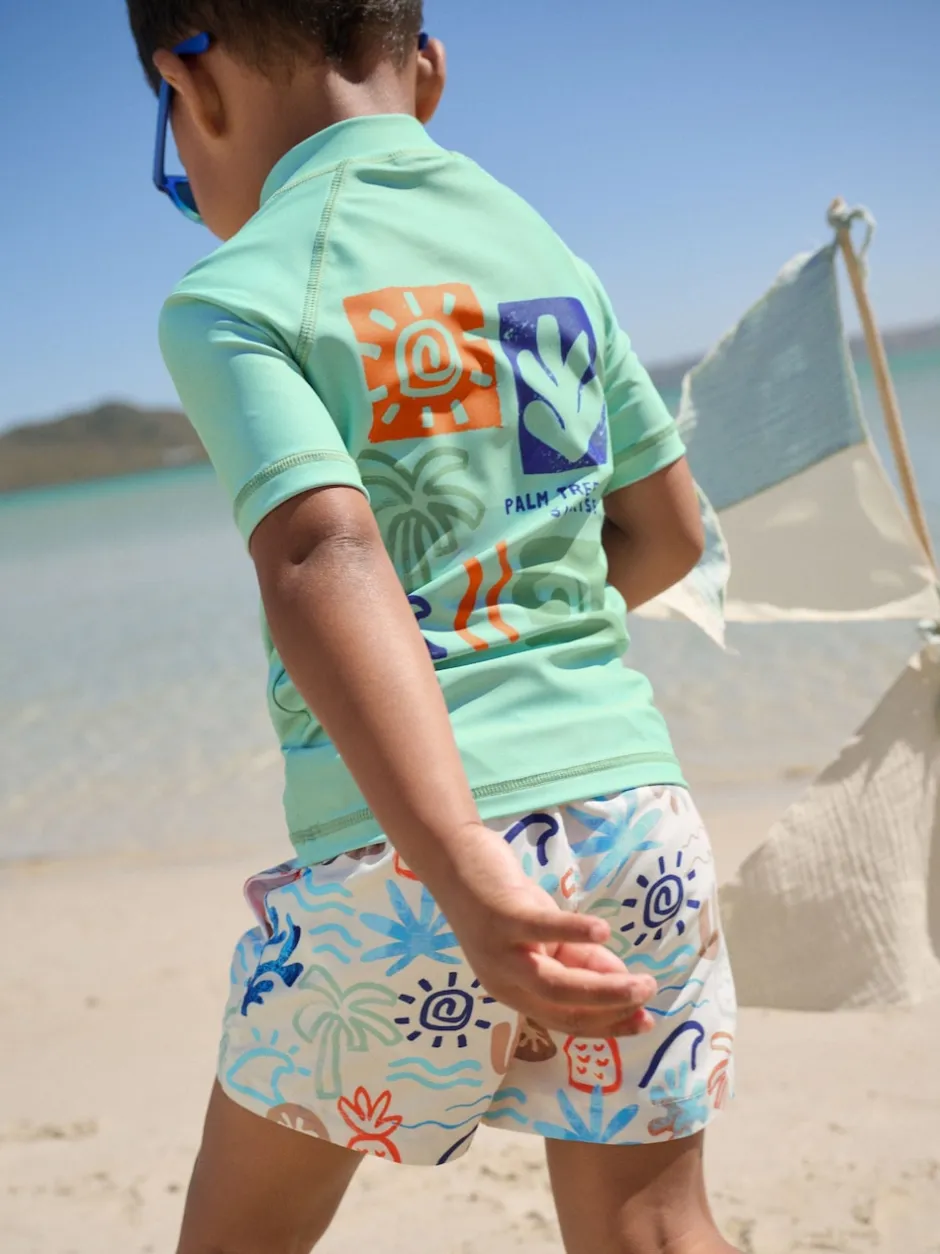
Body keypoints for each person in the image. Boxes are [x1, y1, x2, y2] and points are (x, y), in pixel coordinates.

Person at [129, 3, 738, 1251]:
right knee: (656, 1233)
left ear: (189, 87)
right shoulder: (544, 257)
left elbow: (321, 550)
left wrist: (457, 852)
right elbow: (671, 532)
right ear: (429, 72)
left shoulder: (236, 296)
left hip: (404, 864)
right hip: (635, 824)